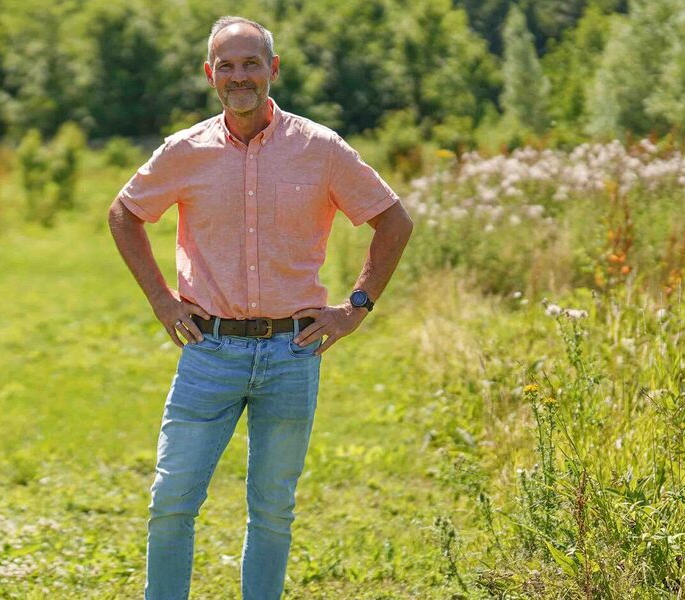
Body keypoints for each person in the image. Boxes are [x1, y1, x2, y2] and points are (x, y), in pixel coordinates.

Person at [105, 15, 414, 600]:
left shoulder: (320, 149)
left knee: (273, 510)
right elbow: (124, 213)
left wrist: (355, 308)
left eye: (252, 63)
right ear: (210, 74)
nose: (239, 75)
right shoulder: (185, 150)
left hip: (291, 353)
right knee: (171, 500)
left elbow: (393, 220)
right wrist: (161, 300)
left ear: (274, 69)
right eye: (228, 65)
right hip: (208, 349)